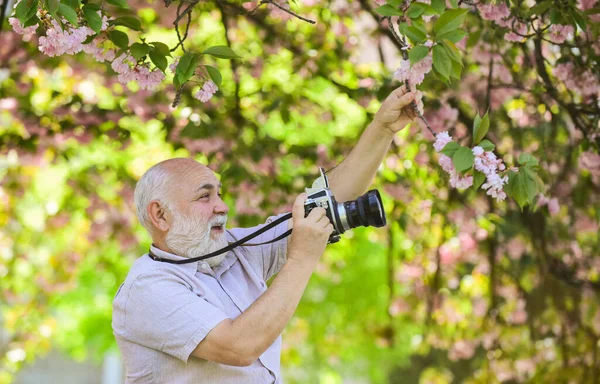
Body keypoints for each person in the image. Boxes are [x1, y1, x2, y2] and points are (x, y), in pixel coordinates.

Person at [112, 85, 422, 383]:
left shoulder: (232, 251)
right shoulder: (147, 289)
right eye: (204, 197)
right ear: (161, 215)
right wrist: (302, 259)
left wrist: (383, 129)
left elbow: (323, 207)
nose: (222, 207)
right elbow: (238, 346)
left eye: (219, 194)